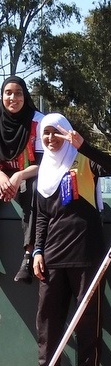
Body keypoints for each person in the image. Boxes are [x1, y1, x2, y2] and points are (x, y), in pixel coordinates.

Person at [28, 113, 111, 366]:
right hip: (52, 254)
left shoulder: (85, 161)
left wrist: (84, 146)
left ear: (67, 133)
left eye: (57, 133)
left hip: (86, 250)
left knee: (87, 313)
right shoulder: (43, 170)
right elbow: (42, 217)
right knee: (47, 313)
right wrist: (37, 251)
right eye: (46, 134)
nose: (51, 139)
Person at [0, 76, 44, 283]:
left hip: (28, 174)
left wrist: (17, 176)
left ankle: (29, 256)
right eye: (8, 93)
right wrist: (1, 177)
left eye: (18, 93)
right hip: (1, 175)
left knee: (34, 190)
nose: (13, 98)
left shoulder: (38, 121)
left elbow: (43, 164)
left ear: (25, 96)